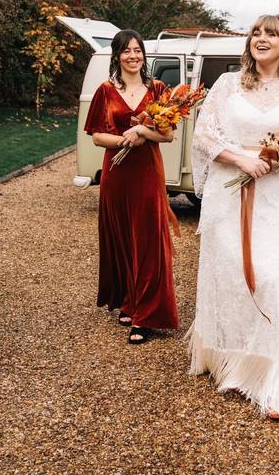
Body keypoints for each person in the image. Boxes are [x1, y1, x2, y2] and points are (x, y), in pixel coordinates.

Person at [188, 14, 279, 420]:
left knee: (277, 276)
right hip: (232, 194)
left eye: (270, 34)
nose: (261, 39)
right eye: (256, 33)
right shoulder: (228, 85)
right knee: (232, 277)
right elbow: (204, 135)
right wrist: (242, 159)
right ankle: (231, 361)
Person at [84, 29, 178, 344]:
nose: (133, 56)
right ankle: (128, 300)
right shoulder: (105, 90)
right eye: (127, 51)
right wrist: (127, 137)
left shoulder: (159, 89)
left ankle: (146, 315)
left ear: (144, 55)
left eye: (138, 50)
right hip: (117, 173)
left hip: (147, 173)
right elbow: (97, 136)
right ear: (117, 56)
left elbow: (167, 135)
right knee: (121, 236)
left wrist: (142, 131)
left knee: (148, 240)